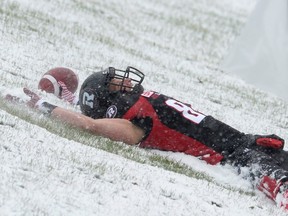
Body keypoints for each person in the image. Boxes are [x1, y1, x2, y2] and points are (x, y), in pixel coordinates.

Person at [5, 66, 288, 210]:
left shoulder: (135, 104)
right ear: (111, 101)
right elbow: (90, 125)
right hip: (242, 159)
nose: (126, 82)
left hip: (252, 144)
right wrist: (41, 105)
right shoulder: (135, 121)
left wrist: (67, 95)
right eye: (116, 83)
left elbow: (90, 110)